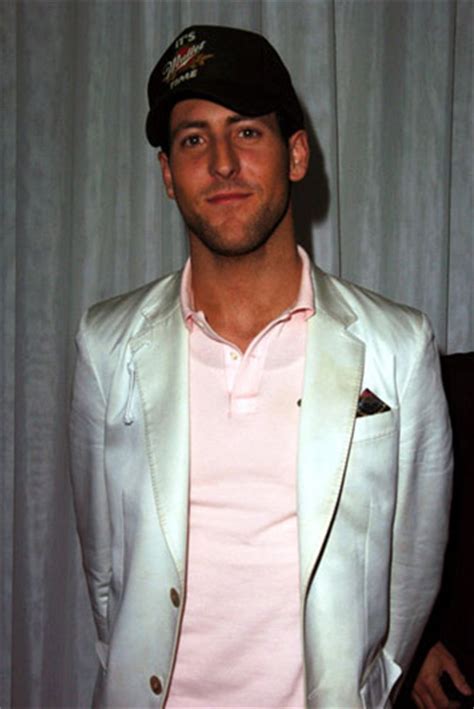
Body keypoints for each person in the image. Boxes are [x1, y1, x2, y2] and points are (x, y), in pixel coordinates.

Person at [69, 25, 453, 708]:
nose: (221, 163)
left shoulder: (398, 346)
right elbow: (105, 578)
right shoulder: (107, 345)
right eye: (193, 140)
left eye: (246, 132)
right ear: (167, 175)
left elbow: (411, 578)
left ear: (296, 154)